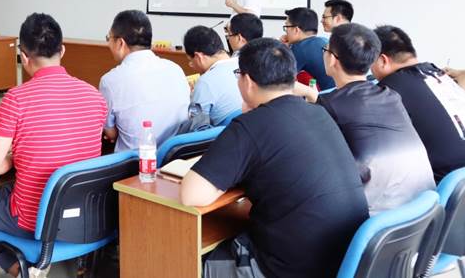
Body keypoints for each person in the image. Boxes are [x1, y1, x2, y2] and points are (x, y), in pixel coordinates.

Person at [181, 38, 368, 278]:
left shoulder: (250, 126)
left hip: (288, 268)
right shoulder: (319, 113)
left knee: (191, 259)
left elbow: (191, 195)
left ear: (248, 81)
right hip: (343, 260)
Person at [0, 14, 107, 277]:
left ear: (23, 57)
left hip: (36, 220)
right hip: (87, 215)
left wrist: (14, 158)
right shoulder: (95, 95)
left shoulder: (16, 99)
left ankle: (20, 270)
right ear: (62, 51)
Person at [319, 23, 434, 214]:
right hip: (422, 211)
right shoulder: (390, 95)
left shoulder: (330, 105)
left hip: (378, 217)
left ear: (332, 59)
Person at [372, 25, 465, 181]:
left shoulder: (388, 90)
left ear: (382, 60)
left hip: (443, 184)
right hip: (458, 182)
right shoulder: (437, 73)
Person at [100, 10, 189, 152]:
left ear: (120, 43)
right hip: (173, 158)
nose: (108, 44)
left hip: (134, 162)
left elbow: (111, 134)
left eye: (108, 38)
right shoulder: (175, 69)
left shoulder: (110, 81)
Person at [183, 25, 243, 125]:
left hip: (225, 132)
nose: (191, 65)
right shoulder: (244, 63)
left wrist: (193, 96)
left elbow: (195, 125)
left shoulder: (205, 82)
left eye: (191, 60)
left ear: (198, 56)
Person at [283, 7, 335, 89]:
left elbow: (280, 77)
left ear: (296, 30)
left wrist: (282, 48)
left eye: (286, 26)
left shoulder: (299, 48)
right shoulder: (324, 40)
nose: (286, 31)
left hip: (326, 95)